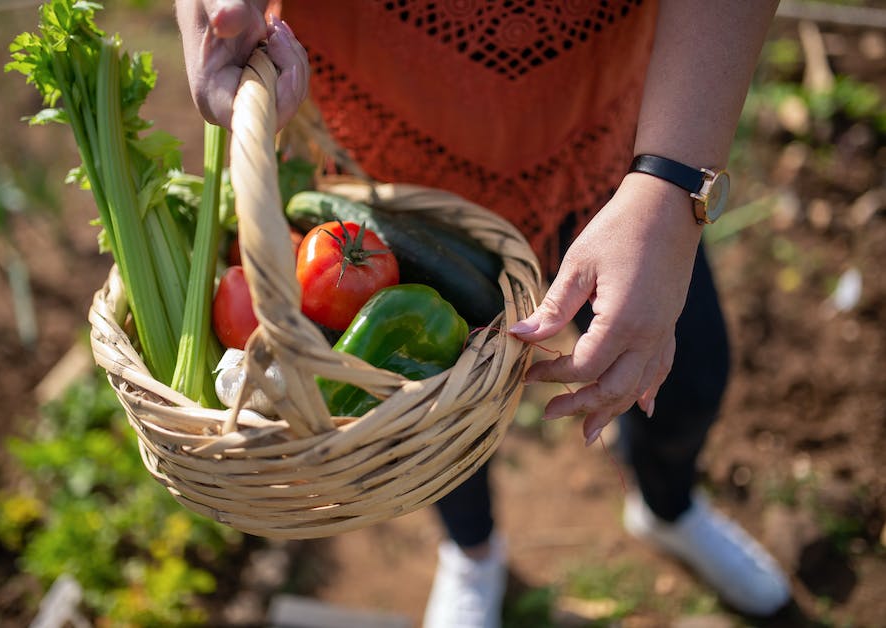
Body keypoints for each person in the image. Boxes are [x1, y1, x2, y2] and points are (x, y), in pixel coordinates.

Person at [176, 1, 792, 625]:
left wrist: (670, 187)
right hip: (389, 157)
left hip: (617, 147)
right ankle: (472, 552)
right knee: (434, 410)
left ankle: (667, 507)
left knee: (691, 376)